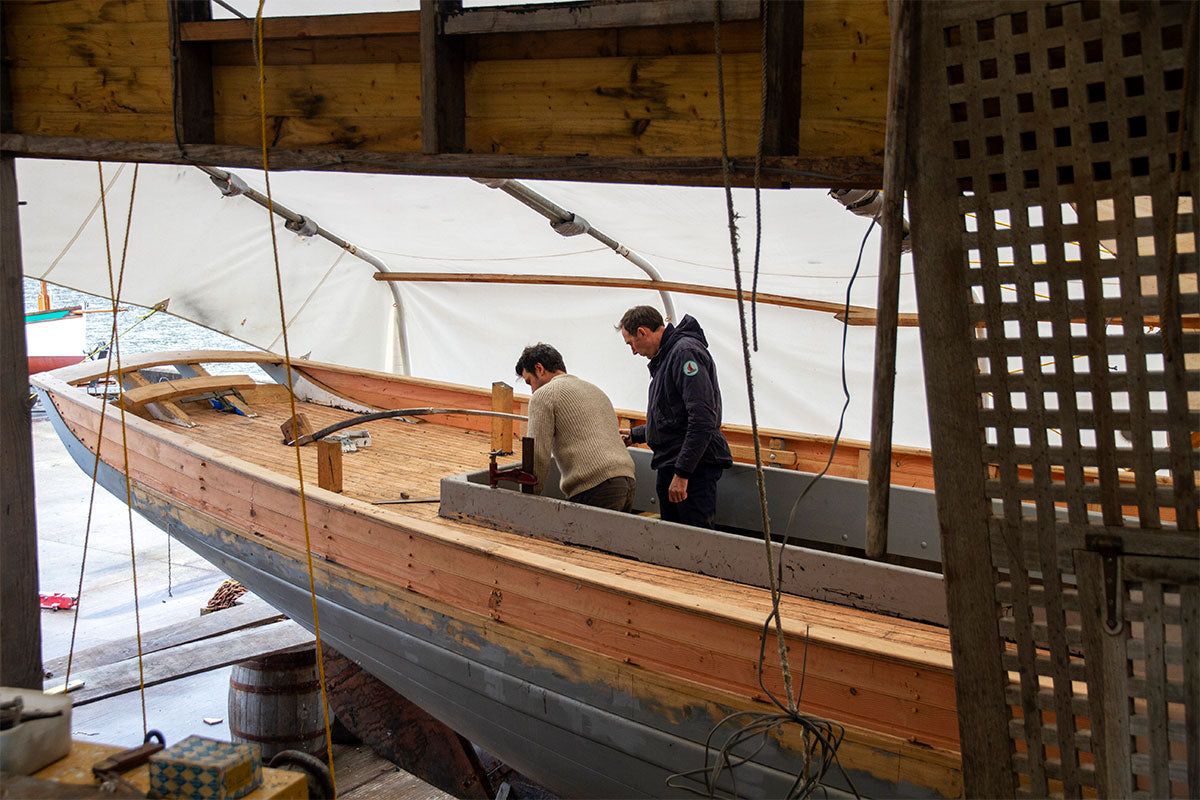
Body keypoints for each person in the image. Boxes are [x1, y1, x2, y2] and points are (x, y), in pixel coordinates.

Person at [617, 305, 732, 529]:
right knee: (673, 539)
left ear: (642, 332)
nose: (633, 351)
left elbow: (702, 418)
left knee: (694, 540)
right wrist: (636, 434)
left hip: (692, 469)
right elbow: (672, 415)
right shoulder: (667, 357)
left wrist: (682, 473)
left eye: (631, 343)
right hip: (674, 463)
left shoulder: (684, 353)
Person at [514, 343, 636, 512]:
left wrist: (527, 500)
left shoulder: (545, 395)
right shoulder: (595, 390)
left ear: (539, 368)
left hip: (594, 486)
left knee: (576, 538)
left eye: (530, 382)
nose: (532, 391)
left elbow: (537, 454)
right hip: (627, 480)